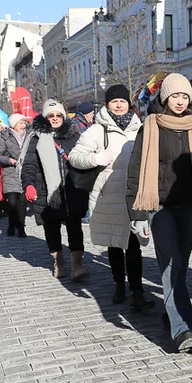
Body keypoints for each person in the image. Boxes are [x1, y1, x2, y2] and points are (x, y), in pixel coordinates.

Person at [125, 75, 192, 350]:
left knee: (180, 268)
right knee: (171, 267)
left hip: (190, 206)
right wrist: (136, 215)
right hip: (159, 207)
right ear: (164, 97)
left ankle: (171, 311)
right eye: (175, 96)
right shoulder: (150, 127)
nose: (180, 101)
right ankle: (183, 328)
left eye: (185, 96)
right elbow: (136, 172)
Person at [70, 84, 149, 309]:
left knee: (134, 246)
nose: (119, 105)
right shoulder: (97, 130)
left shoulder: (139, 128)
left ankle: (137, 290)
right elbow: (75, 157)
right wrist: (95, 159)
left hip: (134, 196)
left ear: (128, 104)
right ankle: (119, 285)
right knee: (115, 244)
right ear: (107, 104)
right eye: (115, 101)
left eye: (122, 101)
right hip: (108, 195)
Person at [21, 100, 90, 280]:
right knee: (51, 230)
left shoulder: (73, 136)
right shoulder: (36, 139)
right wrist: (28, 184)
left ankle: (77, 265)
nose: (55, 119)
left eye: (58, 115)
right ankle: (58, 261)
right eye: (51, 116)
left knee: (75, 229)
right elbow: (29, 165)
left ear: (63, 116)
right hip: (47, 193)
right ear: (45, 118)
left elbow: (82, 159)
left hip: (71, 191)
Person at [0, 113, 30, 238]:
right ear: (14, 125)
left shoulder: (30, 136)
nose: (23, 125)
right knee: (12, 203)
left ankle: (21, 227)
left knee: (22, 203)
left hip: (25, 173)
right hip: (10, 173)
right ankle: (11, 224)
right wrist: (9, 160)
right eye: (20, 123)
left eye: (24, 123)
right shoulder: (4, 138)